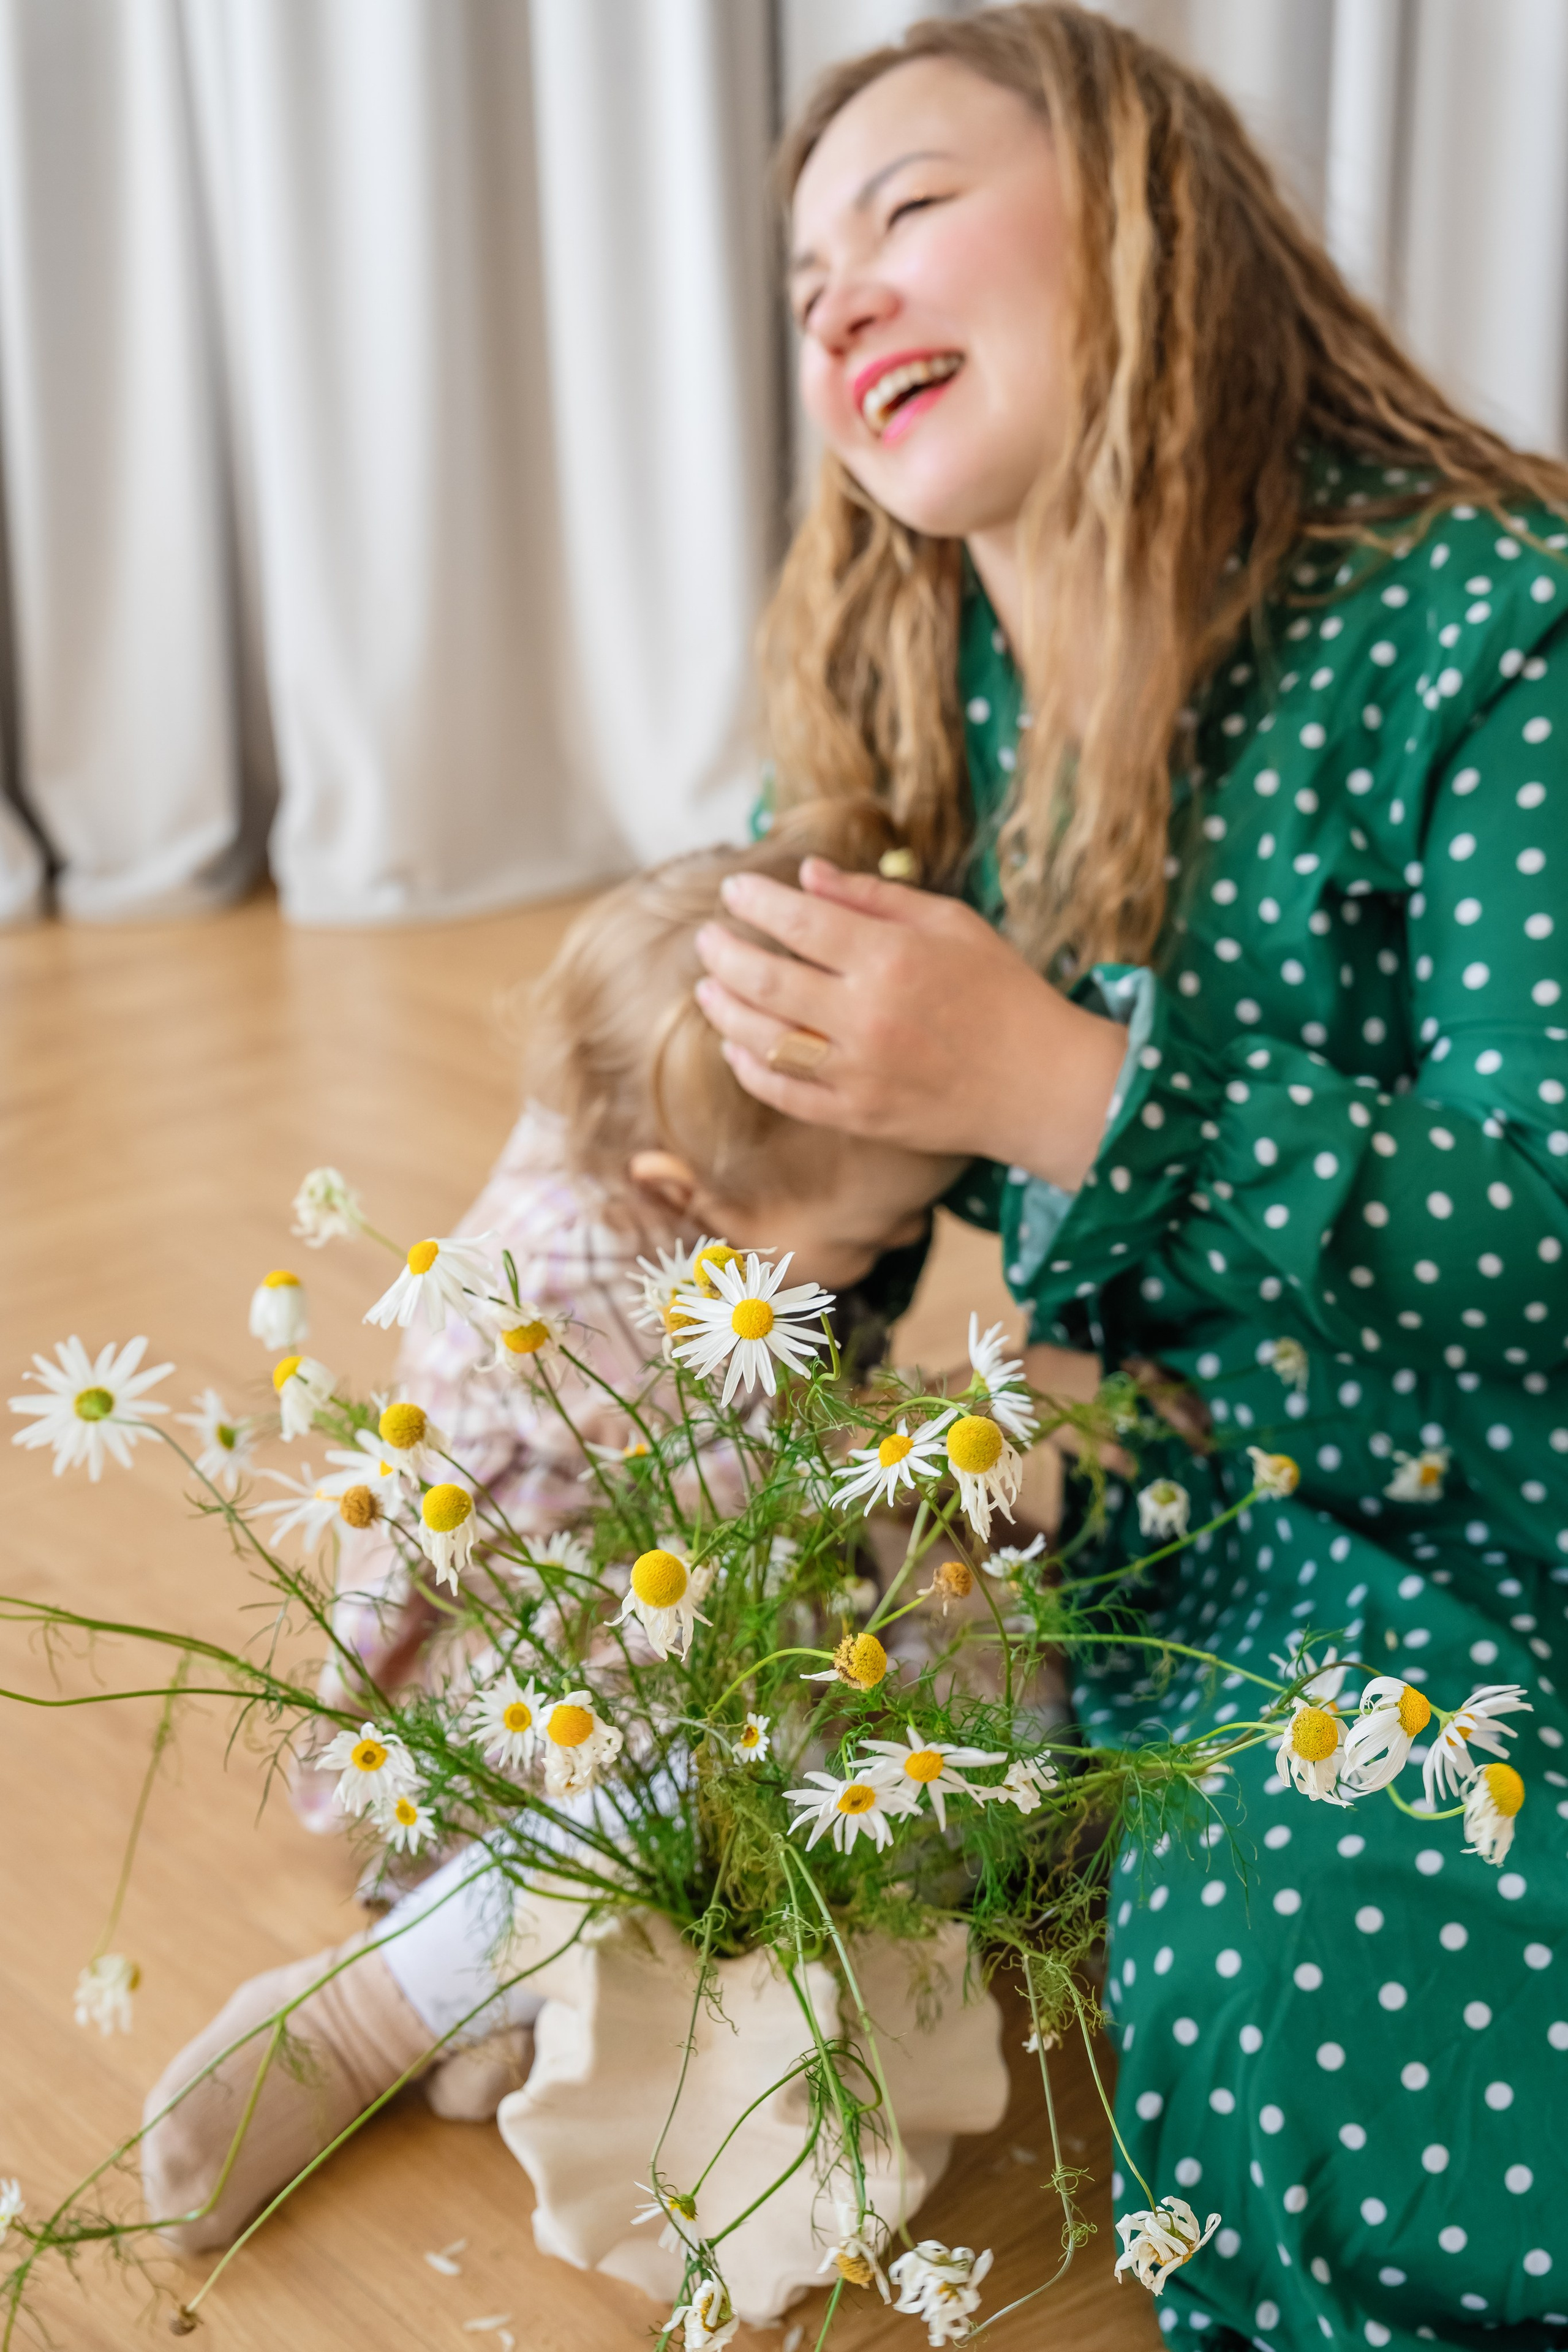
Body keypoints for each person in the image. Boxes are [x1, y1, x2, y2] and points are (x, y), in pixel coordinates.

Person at [686, 9, 1568, 2346]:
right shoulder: (918, 700)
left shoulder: (1492, 628)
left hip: (1526, 1507)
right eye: (805, 286)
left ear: (1157, 217)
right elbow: (791, 1226)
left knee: (1307, 1982)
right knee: (1216, 1930)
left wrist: (1067, 1086)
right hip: (1234, 1564)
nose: (843, 303)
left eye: (909, 210)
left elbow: (1547, 1240)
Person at [140, 805, 972, 2252]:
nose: (896, 1255)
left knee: (826, 1773)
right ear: (681, 1198)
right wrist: (953, 1430)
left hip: (641, 1587)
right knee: (720, 1771)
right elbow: (755, 1488)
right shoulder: (576, 1278)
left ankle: (539, 1997)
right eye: (866, 1241)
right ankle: (368, 2012)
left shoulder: (641, 1123)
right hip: (524, 1671)